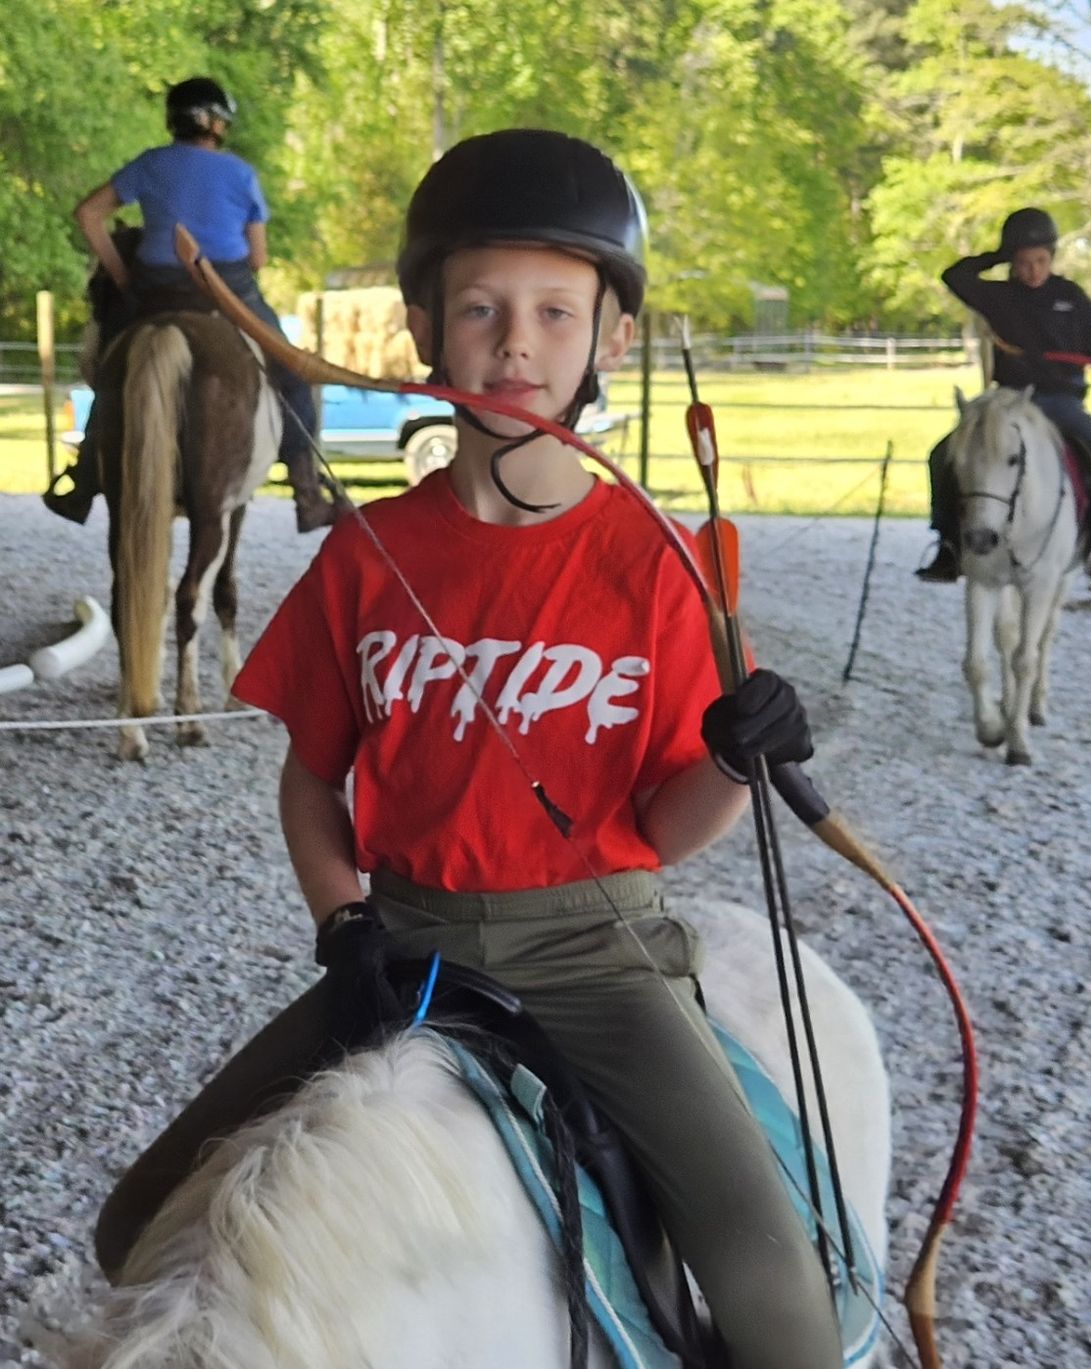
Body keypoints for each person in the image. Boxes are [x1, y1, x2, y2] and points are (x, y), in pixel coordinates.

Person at [219, 130, 840, 1367]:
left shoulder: (660, 563)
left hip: (597, 951)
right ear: (424, 335)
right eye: (482, 309)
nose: (516, 342)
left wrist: (730, 757)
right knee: (142, 1225)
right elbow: (310, 776)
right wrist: (345, 926)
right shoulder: (364, 555)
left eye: (556, 312)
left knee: (781, 1299)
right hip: (403, 942)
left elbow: (665, 826)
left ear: (611, 338)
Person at [45, 76, 337, 533]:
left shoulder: (150, 164)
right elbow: (258, 257)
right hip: (226, 288)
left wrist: (123, 277)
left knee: (111, 373)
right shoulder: (240, 173)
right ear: (216, 124)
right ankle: (308, 494)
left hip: (154, 290)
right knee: (290, 371)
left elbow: (89, 214)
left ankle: (81, 485)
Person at [917, 207, 1091, 589]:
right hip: (1007, 401)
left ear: (1052, 258)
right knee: (942, 455)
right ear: (1011, 262)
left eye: (1040, 260)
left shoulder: (1071, 297)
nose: (1032, 270)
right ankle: (948, 544)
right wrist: (999, 254)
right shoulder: (995, 296)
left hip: (1061, 403)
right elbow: (954, 275)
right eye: (1022, 262)